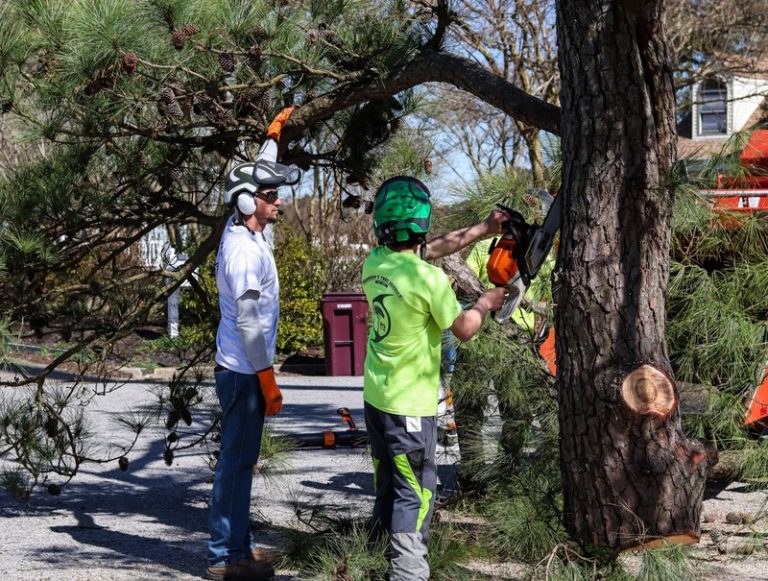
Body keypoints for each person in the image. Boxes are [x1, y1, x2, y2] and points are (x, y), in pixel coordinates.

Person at [361, 175, 509, 581]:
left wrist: (484, 228)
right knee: (416, 492)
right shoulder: (430, 280)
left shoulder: (375, 263)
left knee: (388, 484)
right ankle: (408, 572)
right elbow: (463, 328)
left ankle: (375, 561)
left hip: (377, 399)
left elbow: (430, 249)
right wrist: (485, 302)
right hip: (410, 406)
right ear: (422, 224)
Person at [206, 108, 299, 581]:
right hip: (244, 371)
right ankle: (224, 558)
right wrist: (267, 379)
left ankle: (238, 548)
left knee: (243, 463)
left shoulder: (251, 228)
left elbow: (259, 167)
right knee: (236, 465)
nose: (278, 200)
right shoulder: (242, 251)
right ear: (247, 202)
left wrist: (273, 135)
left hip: (247, 369)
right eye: (270, 195)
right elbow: (246, 320)